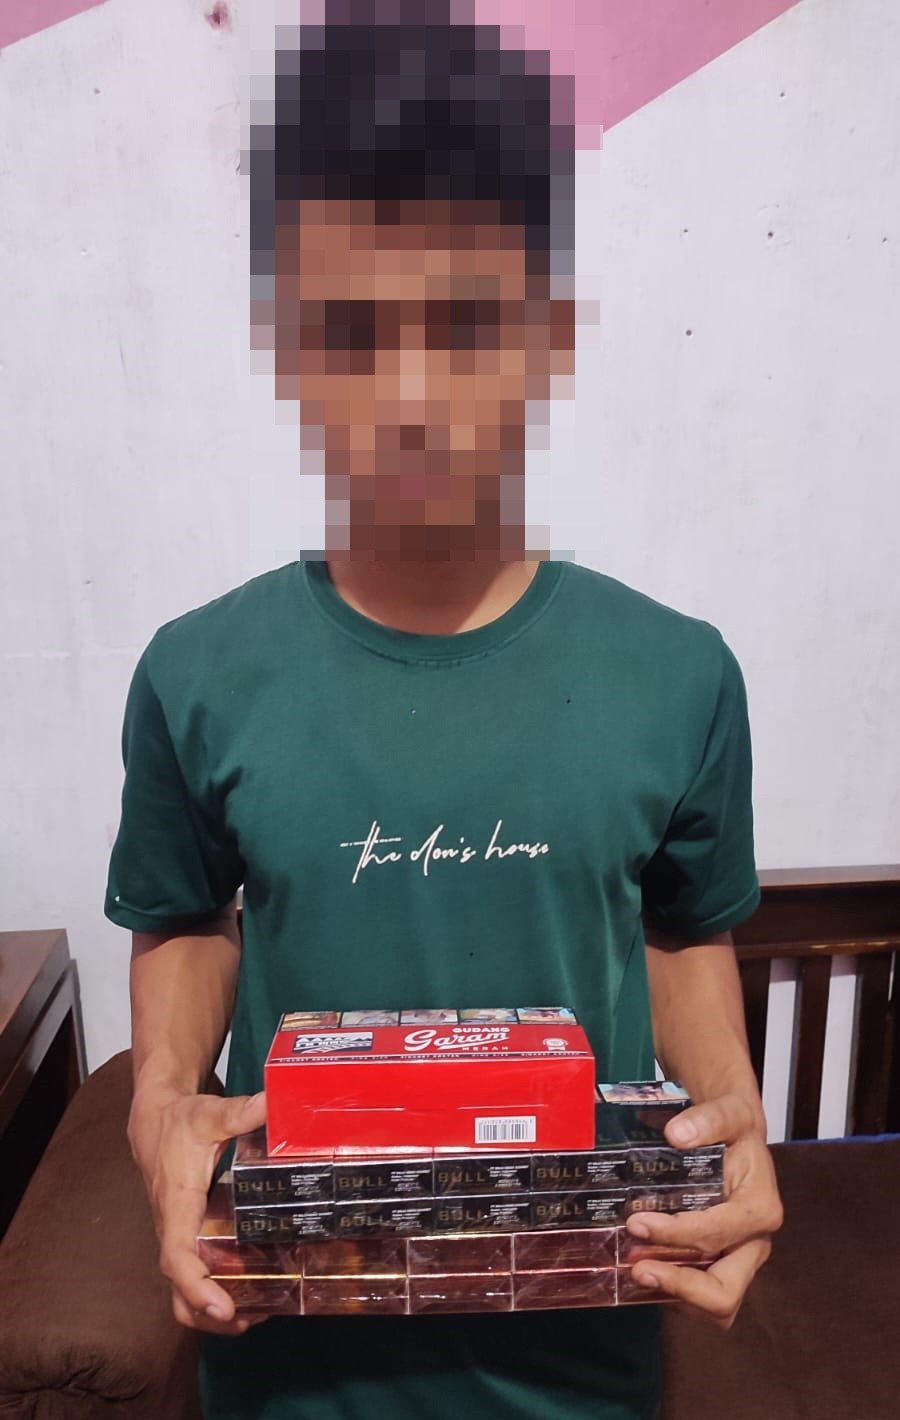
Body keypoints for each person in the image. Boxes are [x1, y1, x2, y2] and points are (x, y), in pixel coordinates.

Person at [106, 6, 782, 1419]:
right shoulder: (195, 673)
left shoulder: (679, 673)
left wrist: (733, 1122)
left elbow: (678, 928)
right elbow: (184, 915)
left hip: (581, 1351)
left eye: (467, 326)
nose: (411, 397)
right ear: (289, 349)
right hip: (289, 1350)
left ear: (547, 337)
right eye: (353, 334)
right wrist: (163, 1102)